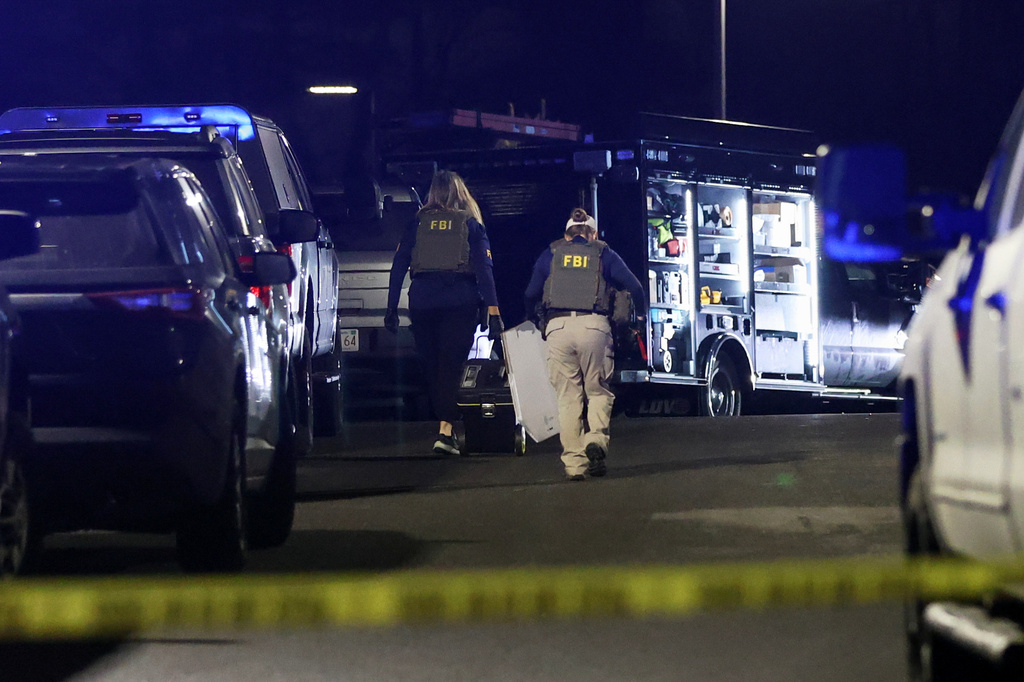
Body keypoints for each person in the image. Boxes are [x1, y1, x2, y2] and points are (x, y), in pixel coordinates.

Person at [385, 170, 502, 456]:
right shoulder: (471, 226)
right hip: (458, 302)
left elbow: (399, 264)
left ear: (432, 194)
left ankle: (445, 426)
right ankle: (446, 429)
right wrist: (494, 308)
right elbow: (484, 271)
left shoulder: (417, 224)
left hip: (422, 302)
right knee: (450, 366)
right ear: (461, 193)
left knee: (433, 366)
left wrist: (391, 307)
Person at [524, 207, 646, 481]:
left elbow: (530, 293)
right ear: (592, 234)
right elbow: (634, 286)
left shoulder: (551, 254)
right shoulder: (603, 254)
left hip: (558, 328)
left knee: (568, 398)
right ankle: (596, 440)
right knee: (598, 390)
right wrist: (635, 316)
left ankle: (575, 466)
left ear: (567, 236)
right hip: (594, 326)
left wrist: (535, 319)